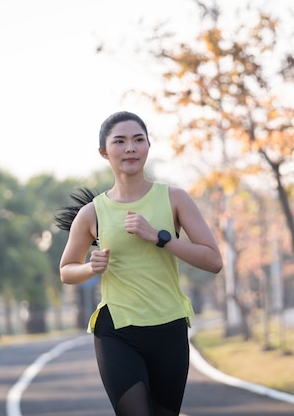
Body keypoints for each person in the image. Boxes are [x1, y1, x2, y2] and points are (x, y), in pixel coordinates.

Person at [58, 111, 223, 416]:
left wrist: (161, 238)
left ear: (148, 145)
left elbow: (213, 260)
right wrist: (90, 268)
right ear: (104, 152)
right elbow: (67, 270)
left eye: (138, 140)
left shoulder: (175, 198)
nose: (130, 148)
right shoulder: (92, 213)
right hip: (117, 331)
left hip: (168, 328)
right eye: (119, 141)